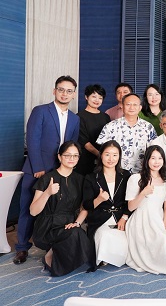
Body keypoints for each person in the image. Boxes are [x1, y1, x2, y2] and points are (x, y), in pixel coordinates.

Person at [14, 75, 80, 265]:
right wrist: (38, 167)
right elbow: (32, 140)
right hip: (37, 168)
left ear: (73, 94)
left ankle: (51, 244)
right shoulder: (41, 111)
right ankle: (22, 247)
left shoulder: (75, 119)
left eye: (69, 91)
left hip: (61, 170)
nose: (64, 94)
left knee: (55, 209)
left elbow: (72, 144)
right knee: (28, 207)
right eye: (61, 89)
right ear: (54, 91)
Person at [30, 141, 93, 276]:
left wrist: (77, 223)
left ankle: (56, 252)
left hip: (69, 224)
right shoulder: (47, 178)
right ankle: (50, 256)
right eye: (67, 155)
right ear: (59, 157)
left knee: (79, 233)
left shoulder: (81, 179)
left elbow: (85, 208)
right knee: (76, 235)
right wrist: (47, 193)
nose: (71, 159)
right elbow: (33, 211)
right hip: (48, 225)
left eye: (75, 156)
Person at [125, 145, 166, 275]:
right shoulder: (136, 178)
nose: (156, 162)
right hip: (141, 221)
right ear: (147, 160)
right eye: (153, 158)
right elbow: (131, 207)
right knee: (158, 248)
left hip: (158, 220)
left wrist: (164, 224)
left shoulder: (165, 180)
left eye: (160, 158)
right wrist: (143, 193)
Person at [82, 140, 131, 268]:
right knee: (105, 236)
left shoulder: (126, 175)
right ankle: (105, 257)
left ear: (119, 156)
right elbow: (87, 205)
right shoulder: (91, 177)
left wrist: (124, 217)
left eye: (115, 155)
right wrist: (99, 199)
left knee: (125, 239)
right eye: (107, 154)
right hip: (100, 218)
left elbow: (130, 201)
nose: (111, 159)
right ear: (101, 155)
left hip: (121, 217)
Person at [96, 93, 157, 173]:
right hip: (116, 173)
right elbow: (103, 151)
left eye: (135, 104)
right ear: (122, 106)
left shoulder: (148, 127)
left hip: (141, 174)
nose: (131, 107)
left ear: (140, 108)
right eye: (128, 104)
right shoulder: (110, 126)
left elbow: (154, 151)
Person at [76, 84, 111, 176]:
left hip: (104, 160)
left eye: (100, 98)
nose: (97, 100)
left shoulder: (106, 117)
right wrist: (100, 155)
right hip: (86, 159)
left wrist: (106, 156)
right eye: (94, 96)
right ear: (86, 97)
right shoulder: (79, 117)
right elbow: (85, 142)